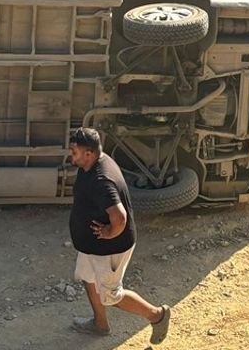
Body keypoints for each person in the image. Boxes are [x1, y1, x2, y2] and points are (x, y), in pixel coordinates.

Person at [66, 127, 170, 342]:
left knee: (112, 296)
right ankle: (100, 325)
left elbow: (120, 218)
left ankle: (157, 316)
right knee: (88, 279)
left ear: (89, 153)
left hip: (109, 249)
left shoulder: (101, 180)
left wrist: (108, 233)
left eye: (74, 152)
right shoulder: (94, 161)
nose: (70, 155)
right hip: (92, 246)